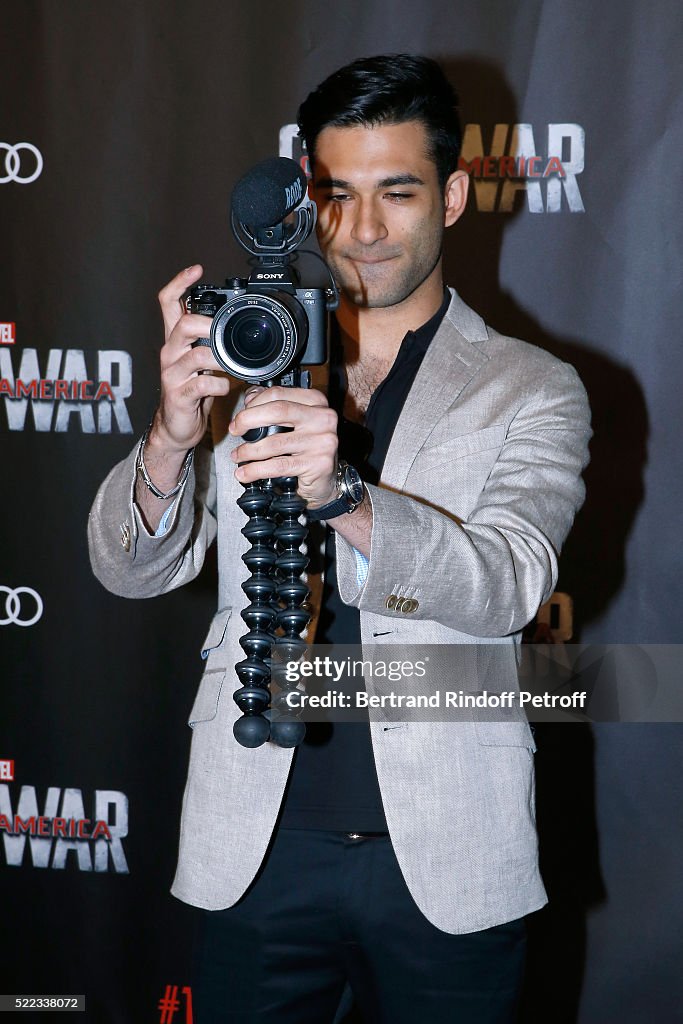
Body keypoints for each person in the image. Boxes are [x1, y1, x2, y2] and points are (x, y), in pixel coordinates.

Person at [88, 54, 591, 1023]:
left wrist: (341, 492)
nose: (359, 230)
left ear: (450, 197)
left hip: (444, 857)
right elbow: (127, 565)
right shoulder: (253, 347)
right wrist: (173, 431)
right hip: (257, 846)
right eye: (335, 194)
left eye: (394, 193)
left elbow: (509, 583)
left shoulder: (529, 387)